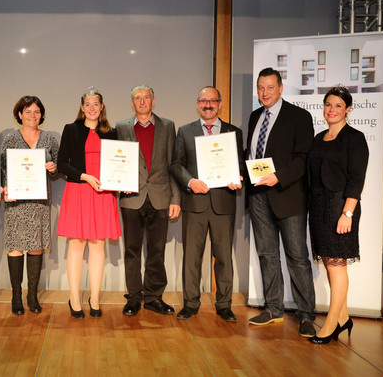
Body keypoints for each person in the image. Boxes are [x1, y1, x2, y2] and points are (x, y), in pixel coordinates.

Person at [246, 67, 316, 337]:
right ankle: (273, 308)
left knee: (297, 257)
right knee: (267, 254)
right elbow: (251, 154)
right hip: (258, 195)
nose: (264, 93)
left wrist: (278, 178)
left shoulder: (299, 116)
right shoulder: (255, 117)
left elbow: (303, 158)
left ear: (281, 87)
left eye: (270, 88)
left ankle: (306, 314)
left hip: (288, 196)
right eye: (261, 88)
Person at [170, 86, 245, 321]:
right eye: (203, 101)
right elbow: (176, 164)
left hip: (223, 202)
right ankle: (190, 303)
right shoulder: (185, 131)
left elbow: (240, 164)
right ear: (197, 104)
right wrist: (190, 181)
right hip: (195, 203)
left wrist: (238, 177)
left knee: (223, 257)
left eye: (212, 100)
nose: (208, 105)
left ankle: (224, 304)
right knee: (192, 257)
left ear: (220, 104)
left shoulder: (234, 132)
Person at [307, 86, 368, 344]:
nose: (332, 110)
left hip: (341, 207)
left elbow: (357, 178)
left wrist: (348, 213)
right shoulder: (318, 138)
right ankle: (343, 318)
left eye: (338, 106)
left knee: (336, 265)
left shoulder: (354, 138)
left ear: (348, 109)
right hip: (319, 207)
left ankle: (331, 323)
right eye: (328, 105)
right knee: (330, 264)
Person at [115, 85, 180, 316]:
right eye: (137, 98)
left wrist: (175, 197)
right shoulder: (122, 127)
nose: (142, 102)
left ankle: (154, 297)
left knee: (157, 250)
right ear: (132, 103)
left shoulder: (168, 126)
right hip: (131, 198)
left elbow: (173, 164)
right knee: (131, 250)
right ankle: (133, 298)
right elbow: (116, 162)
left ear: (153, 101)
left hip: (161, 197)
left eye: (146, 98)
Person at [57, 87, 120, 319]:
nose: (92, 108)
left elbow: (119, 164)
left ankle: (94, 298)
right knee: (76, 244)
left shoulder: (112, 133)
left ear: (101, 107)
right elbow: (62, 163)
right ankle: (74, 298)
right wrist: (85, 176)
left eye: (96, 104)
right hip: (79, 190)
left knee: (98, 245)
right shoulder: (71, 130)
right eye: (88, 104)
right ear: (82, 107)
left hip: (103, 194)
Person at [1, 96, 59, 315]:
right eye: (28, 112)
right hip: (16, 201)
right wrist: (4, 188)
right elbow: (1, 168)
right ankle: (16, 296)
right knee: (16, 247)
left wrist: (53, 168)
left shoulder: (50, 140)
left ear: (41, 115)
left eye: (36, 112)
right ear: (19, 114)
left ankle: (32, 296)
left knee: (35, 246)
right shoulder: (10, 139)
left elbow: (57, 168)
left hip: (39, 201)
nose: (32, 116)